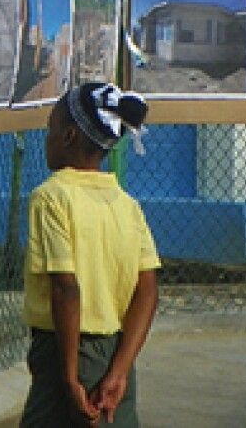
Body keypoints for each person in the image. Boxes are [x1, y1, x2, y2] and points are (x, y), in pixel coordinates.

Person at [21, 83, 160, 428]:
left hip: (64, 350)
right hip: (116, 353)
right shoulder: (127, 205)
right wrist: (120, 370)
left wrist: (70, 377)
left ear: (68, 137)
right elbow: (148, 291)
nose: (47, 137)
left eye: (49, 128)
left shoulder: (51, 197)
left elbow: (65, 288)